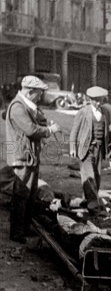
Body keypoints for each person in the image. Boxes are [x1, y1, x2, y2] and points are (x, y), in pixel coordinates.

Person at [5, 75, 61, 243]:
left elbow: (37, 122)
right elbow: (30, 130)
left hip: (29, 155)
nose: (40, 97)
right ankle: (17, 232)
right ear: (30, 92)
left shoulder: (26, 105)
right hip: (22, 156)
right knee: (21, 195)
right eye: (39, 94)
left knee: (29, 195)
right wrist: (49, 130)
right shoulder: (17, 107)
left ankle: (25, 226)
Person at [69, 86, 111, 216]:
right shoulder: (83, 112)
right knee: (89, 177)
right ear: (90, 99)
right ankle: (94, 207)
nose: (98, 103)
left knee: (97, 176)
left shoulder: (105, 112)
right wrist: (73, 147)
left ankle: (87, 200)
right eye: (95, 100)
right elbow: (74, 131)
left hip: (99, 149)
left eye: (100, 100)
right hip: (86, 149)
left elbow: (110, 129)